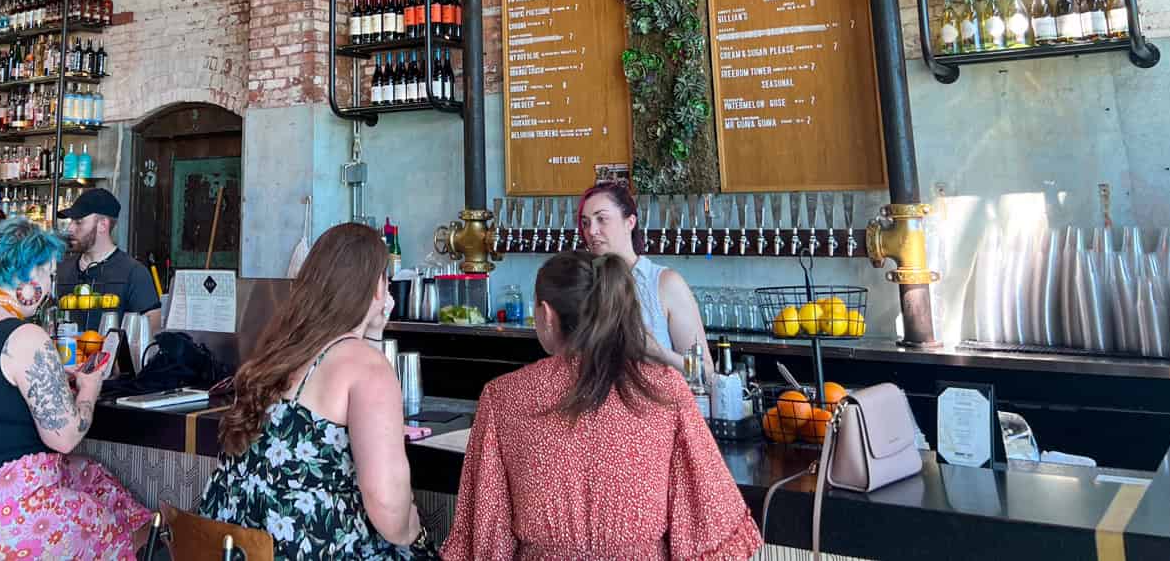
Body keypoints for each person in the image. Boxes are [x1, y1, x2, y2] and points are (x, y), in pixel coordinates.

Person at [443, 251, 762, 561]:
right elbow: (710, 519)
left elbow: (486, 536)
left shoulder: (504, 397)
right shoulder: (663, 388)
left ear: (547, 315)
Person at [0, 216, 151, 559]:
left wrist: (51, 376)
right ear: (27, 276)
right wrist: (90, 387)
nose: (50, 288)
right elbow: (64, 437)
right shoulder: (25, 337)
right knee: (118, 531)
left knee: (92, 476)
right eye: (49, 275)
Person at [199, 223, 436, 559]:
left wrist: (372, 332)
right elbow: (388, 510)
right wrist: (418, 533)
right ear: (376, 288)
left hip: (230, 548)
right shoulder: (366, 367)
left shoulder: (279, 350)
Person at [579, 183, 715, 383]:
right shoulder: (583, 283)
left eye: (602, 219)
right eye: (585, 223)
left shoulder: (665, 283)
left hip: (658, 410)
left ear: (630, 222)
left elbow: (706, 373)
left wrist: (660, 353)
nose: (592, 231)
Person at [55, 188, 160, 332]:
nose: (70, 228)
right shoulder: (60, 270)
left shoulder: (134, 273)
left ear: (103, 225)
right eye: (71, 221)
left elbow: (150, 332)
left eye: (78, 222)